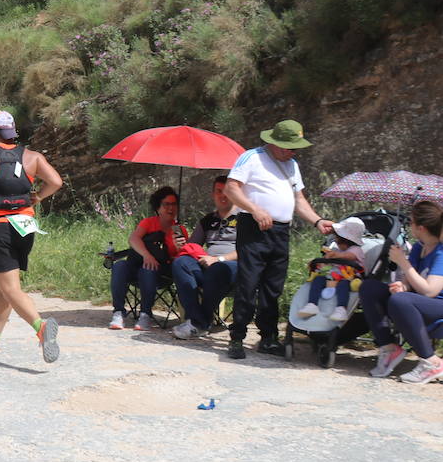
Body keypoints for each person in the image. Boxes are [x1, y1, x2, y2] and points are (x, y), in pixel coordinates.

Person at [223, 120, 333, 359]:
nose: (293, 152)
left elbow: (299, 200)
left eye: (296, 148)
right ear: (275, 142)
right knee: (248, 283)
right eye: (289, 147)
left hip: (280, 232)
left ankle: (268, 337)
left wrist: (317, 221)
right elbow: (231, 188)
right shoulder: (251, 158)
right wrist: (254, 209)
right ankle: (237, 338)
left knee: (273, 287)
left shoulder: (292, 165)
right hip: (253, 228)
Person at [0, 110, 64, 362]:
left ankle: (40, 327)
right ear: (13, 132)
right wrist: (38, 196)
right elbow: (56, 182)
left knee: (10, 288)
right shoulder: (33, 157)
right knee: (4, 289)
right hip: (26, 226)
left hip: (0, 226)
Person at [360, 201, 443, 385]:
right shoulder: (420, 247)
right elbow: (412, 280)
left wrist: (402, 262)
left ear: (420, 228)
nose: (409, 226)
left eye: (411, 222)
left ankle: (431, 363)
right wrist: (402, 286)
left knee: (401, 301)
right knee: (370, 288)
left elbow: (430, 290)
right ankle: (389, 349)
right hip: (428, 303)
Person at [108, 186, 189, 332]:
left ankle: (145, 315)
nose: (171, 208)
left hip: (162, 273)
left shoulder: (179, 230)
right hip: (138, 264)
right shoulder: (149, 223)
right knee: (119, 266)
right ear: (158, 207)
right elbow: (133, 239)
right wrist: (147, 255)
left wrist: (179, 248)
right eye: (166, 204)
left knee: (148, 270)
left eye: (174, 204)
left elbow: (181, 257)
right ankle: (118, 312)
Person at [171, 176, 240, 340]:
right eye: (218, 191)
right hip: (209, 268)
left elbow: (247, 250)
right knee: (180, 262)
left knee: (219, 268)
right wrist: (180, 246)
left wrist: (219, 259)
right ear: (213, 194)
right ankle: (199, 320)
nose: (222, 196)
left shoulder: (245, 219)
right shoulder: (207, 220)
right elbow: (192, 247)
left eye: (227, 192)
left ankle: (199, 323)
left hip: (234, 269)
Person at [298, 215, 367, 322]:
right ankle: (312, 304)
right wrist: (318, 263)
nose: (336, 242)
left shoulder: (356, 250)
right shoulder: (336, 250)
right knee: (318, 280)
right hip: (333, 279)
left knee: (343, 284)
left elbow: (350, 256)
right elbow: (327, 261)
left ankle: (341, 309)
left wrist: (336, 255)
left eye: (338, 240)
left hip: (350, 280)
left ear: (347, 240)